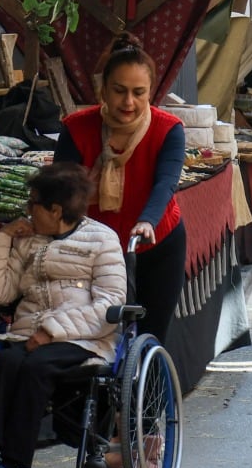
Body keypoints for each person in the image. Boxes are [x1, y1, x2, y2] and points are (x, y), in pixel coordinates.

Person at [0, 163, 126, 468]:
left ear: (55, 210)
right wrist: (2, 239)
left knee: (35, 368)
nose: (27, 210)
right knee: (5, 364)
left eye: (32, 203)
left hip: (84, 339)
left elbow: (110, 305)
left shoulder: (102, 239)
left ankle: (9, 467)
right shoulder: (28, 240)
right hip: (25, 335)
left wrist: (53, 331)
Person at [55, 36, 187, 345]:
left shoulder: (168, 130)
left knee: (150, 339)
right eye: (119, 91)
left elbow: (165, 183)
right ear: (103, 89)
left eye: (138, 93)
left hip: (157, 245)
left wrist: (147, 221)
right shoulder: (76, 128)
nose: (128, 103)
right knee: (92, 337)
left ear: (150, 92)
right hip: (93, 252)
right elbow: (60, 189)